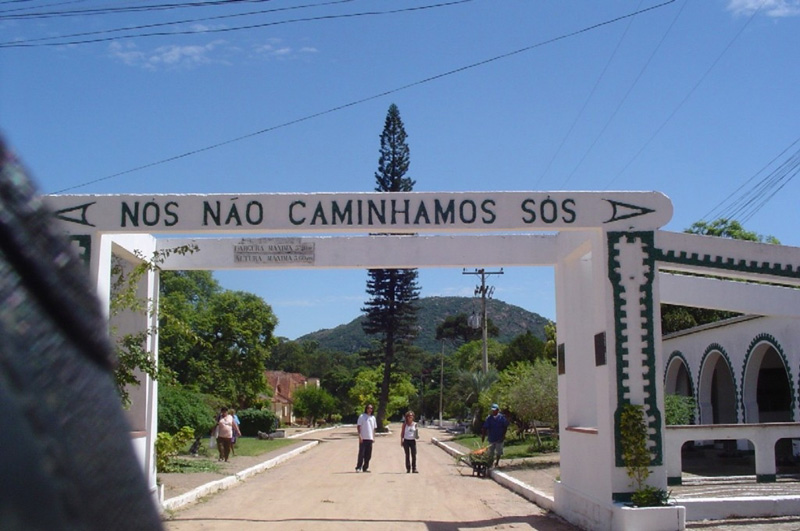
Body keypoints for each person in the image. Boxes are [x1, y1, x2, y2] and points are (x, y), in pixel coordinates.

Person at [481, 403, 509, 468]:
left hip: (499, 438)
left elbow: (505, 427)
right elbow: (485, 428)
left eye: (495, 410)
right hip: (491, 438)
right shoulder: (489, 418)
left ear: (497, 410)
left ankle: (497, 462)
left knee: (499, 451)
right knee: (491, 452)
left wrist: (503, 436)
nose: (493, 411)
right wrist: (483, 436)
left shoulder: (502, 418)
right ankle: (490, 463)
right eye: (492, 410)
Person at [355, 404, 377, 472]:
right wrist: (360, 436)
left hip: (370, 438)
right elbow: (359, 426)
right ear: (366, 409)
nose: (370, 409)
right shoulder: (362, 416)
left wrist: (373, 437)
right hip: (363, 438)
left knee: (368, 454)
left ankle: (365, 467)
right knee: (361, 454)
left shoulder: (373, 418)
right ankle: (358, 467)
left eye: (371, 408)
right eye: (368, 408)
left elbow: (374, 428)